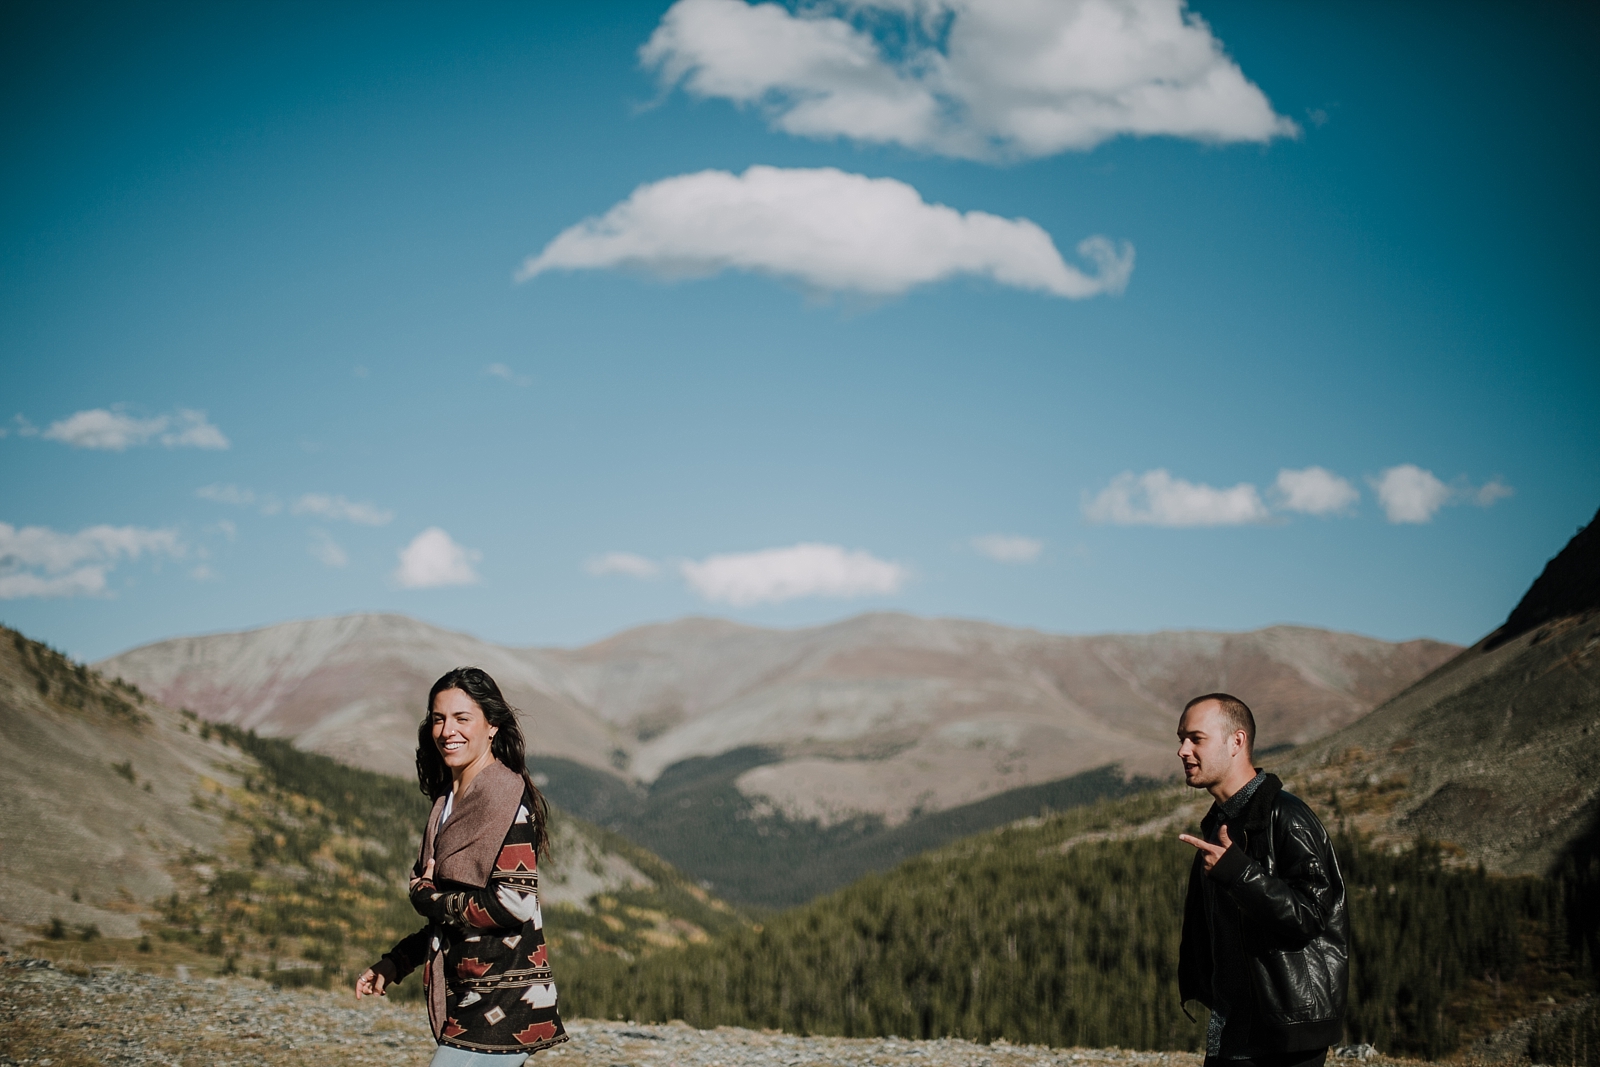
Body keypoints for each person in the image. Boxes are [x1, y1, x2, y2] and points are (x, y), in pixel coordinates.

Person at [356, 667, 566, 1066]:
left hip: (503, 1002)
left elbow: (514, 902)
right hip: (466, 992)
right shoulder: (445, 804)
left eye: (461, 718)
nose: (447, 730)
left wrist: (429, 898)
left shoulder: (504, 799)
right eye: (439, 718)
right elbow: (452, 913)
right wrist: (397, 961)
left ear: (492, 726)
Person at [1175, 693, 1348, 1067]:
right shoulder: (1220, 822)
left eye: (1196, 738)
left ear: (1236, 742)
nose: (1183, 751)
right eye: (1181, 739)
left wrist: (1239, 874)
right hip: (1233, 1031)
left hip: (1283, 1042)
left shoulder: (1288, 816)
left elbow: (1313, 915)